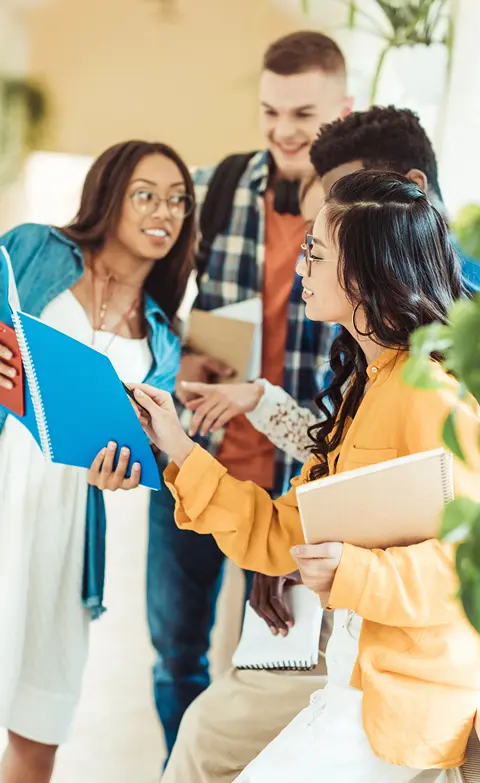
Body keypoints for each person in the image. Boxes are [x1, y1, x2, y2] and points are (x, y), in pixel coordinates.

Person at [105, 170, 480, 781]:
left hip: (401, 709)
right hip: (352, 685)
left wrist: (352, 569)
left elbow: (473, 567)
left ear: (365, 274)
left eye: (314, 253)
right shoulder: (362, 390)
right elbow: (279, 531)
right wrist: (177, 444)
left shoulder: (431, 395)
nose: (301, 269)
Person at [146, 30, 352, 761]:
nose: (283, 131)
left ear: (344, 106)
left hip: (296, 476)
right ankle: (183, 765)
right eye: (270, 111)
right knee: (176, 651)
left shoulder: (360, 215)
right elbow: (154, 298)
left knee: (268, 664)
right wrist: (175, 353)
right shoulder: (219, 185)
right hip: (200, 449)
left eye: (302, 113)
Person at [0, 140, 195, 783]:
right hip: (5, 486)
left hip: (66, 529)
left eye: (177, 200)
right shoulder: (32, 248)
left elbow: (142, 456)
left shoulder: (163, 339)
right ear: (109, 196)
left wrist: (121, 474)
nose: (162, 210)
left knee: (40, 724)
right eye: (145, 193)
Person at [181, 105, 480, 452]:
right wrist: (262, 400)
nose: (337, 214)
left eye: (357, 197)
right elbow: (348, 451)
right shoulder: (356, 301)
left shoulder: (479, 309)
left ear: (410, 191)